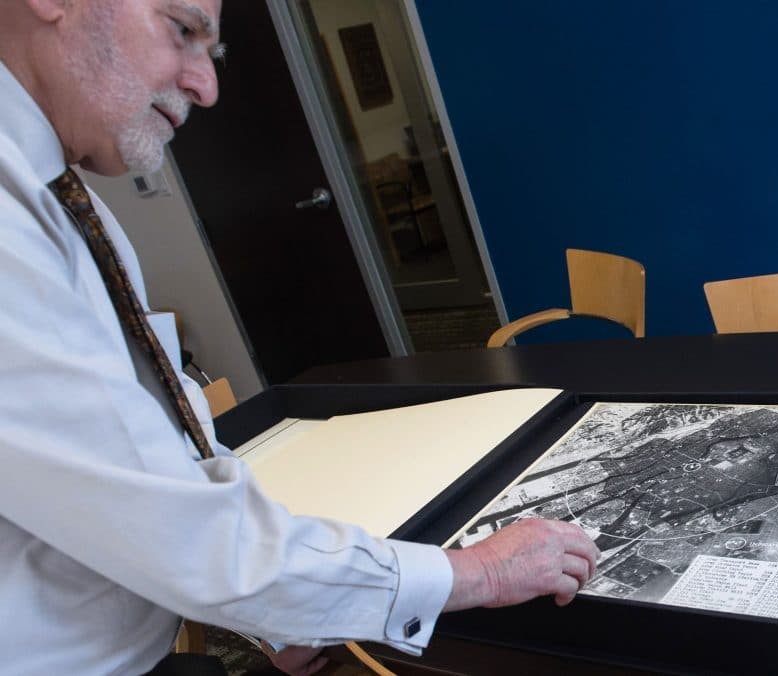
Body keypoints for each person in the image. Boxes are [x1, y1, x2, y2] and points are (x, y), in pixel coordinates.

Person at [0, 1, 600, 674]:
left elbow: (149, 475)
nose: (207, 85)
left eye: (214, 52)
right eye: (182, 31)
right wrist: (482, 573)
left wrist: (277, 604)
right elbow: (184, 538)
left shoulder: (61, 198)